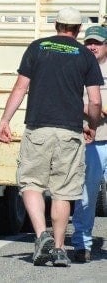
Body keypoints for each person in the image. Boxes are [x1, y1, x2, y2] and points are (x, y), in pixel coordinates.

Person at [0, 7, 102, 267]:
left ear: (56, 25)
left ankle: (41, 233)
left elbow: (21, 87)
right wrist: (92, 124)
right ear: (77, 30)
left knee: (31, 183)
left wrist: (5, 120)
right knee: (63, 192)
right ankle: (57, 248)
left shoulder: (37, 47)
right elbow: (95, 101)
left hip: (38, 128)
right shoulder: (85, 56)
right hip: (70, 131)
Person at [71, 25, 107, 263]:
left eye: (97, 43)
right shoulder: (77, 68)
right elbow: (67, 97)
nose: (92, 47)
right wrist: (92, 109)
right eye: (88, 42)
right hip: (90, 141)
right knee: (86, 195)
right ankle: (81, 244)